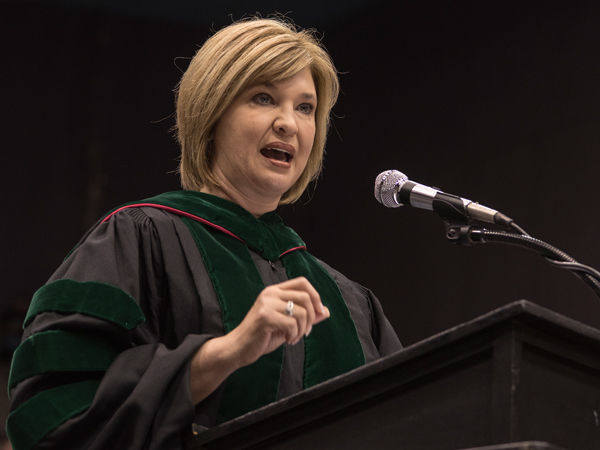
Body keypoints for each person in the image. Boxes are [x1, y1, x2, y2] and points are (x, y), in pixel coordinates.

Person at [6, 17, 401, 450]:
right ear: (211, 113)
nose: (289, 123)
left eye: (305, 107)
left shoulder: (350, 303)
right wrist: (225, 352)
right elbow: (52, 410)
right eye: (264, 97)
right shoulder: (138, 240)